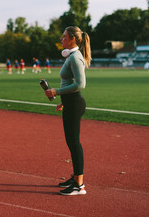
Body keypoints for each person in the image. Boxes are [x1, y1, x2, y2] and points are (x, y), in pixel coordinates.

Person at [44, 26, 91, 196]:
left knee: (74, 142)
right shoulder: (71, 56)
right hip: (70, 103)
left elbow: (80, 84)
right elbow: (70, 82)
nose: (61, 39)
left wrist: (57, 92)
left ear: (72, 39)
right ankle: (75, 178)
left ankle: (79, 185)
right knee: (71, 142)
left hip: (75, 103)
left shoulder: (75, 58)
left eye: (64, 37)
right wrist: (63, 101)